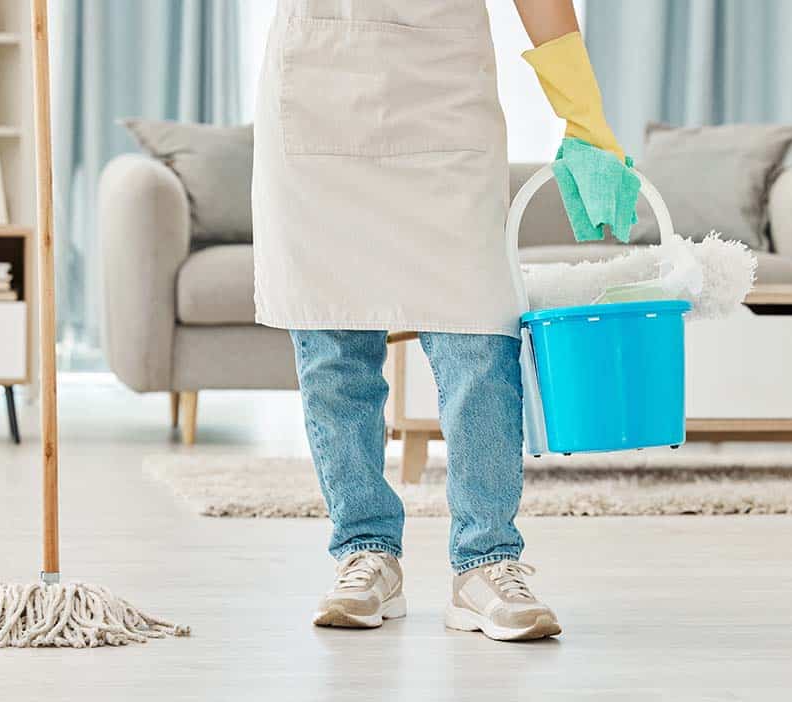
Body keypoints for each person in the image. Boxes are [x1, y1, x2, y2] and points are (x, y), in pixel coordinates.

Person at [252, 0, 631, 641]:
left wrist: (582, 112)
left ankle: (486, 563)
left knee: (480, 343)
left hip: (445, 99)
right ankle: (365, 553)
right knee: (334, 348)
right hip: (317, 89)